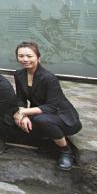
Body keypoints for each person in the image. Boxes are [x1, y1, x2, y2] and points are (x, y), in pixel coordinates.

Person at [10, 41, 82, 171]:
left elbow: (52, 106)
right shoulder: (19, 74)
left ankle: (66, 152)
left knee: (41, 119)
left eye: (29, 56)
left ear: (38, 57)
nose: (25, 59)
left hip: (64, 118)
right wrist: (22, 114)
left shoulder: (49, 78)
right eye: (21, 56)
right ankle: (49, 143)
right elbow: (20, 98)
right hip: (41, 113)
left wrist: (24, 112)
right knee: (13, 116)